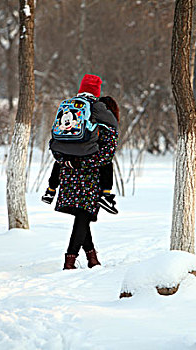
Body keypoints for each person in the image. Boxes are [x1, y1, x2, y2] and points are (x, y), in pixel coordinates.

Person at [46, 74, 119, 270]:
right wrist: (86, 163)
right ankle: (69, 262)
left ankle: (92, 258)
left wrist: (67, 162)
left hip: (68, 172)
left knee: (82, 215)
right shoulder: (100, 111)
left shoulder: (70, 107)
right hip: (90, 174)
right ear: (97, 91)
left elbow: (54, 143)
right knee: (83, 215)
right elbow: (108, 151)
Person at [42, 95, 120, 214]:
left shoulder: (80, 116)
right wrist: (81, 163)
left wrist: (67, 161)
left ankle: (50, 190)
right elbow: (105, 155)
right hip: (89, 182)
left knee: (58, 163)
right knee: (107, 164)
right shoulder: (103, 126)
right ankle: (106, 194)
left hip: (68, 176)